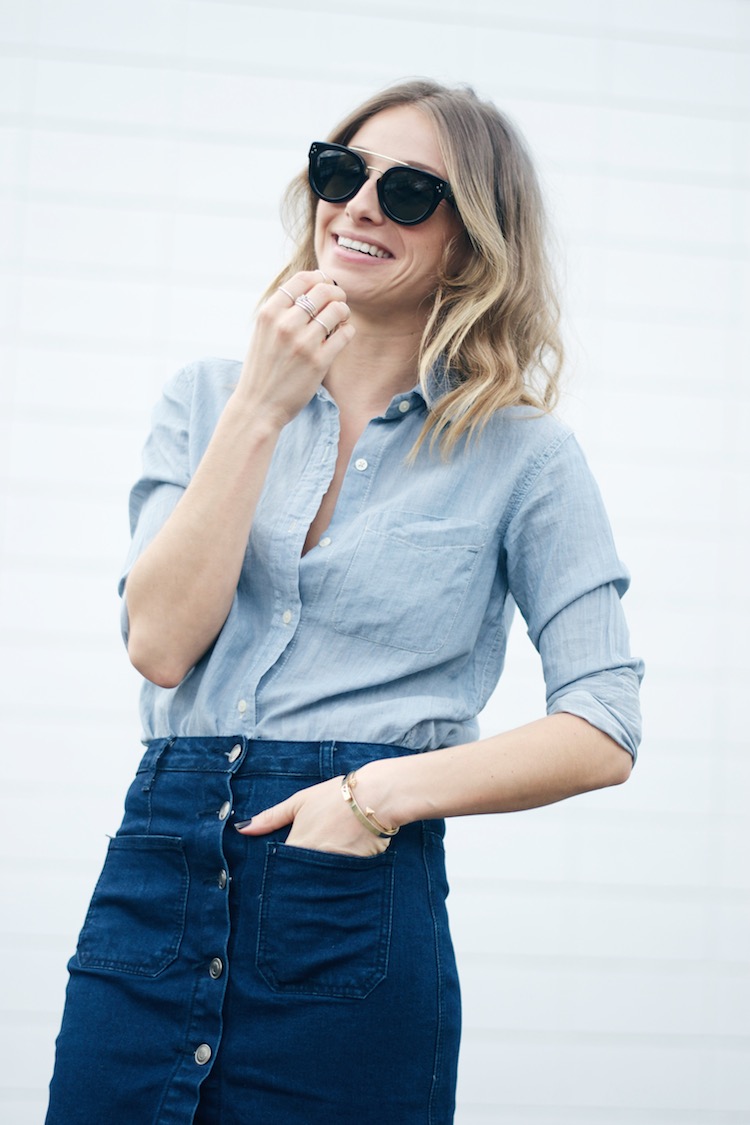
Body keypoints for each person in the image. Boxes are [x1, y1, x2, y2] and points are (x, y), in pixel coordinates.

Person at [46, 78, 643, 1124]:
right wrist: (262, 408)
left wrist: (376, 798)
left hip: (346, 896)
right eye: (340, 172)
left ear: (470, 243)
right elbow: (161, 644)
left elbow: (603, 725)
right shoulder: (204, 398)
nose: (360, 206)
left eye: (409, 192)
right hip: (158, 873)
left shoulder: (524, 454)